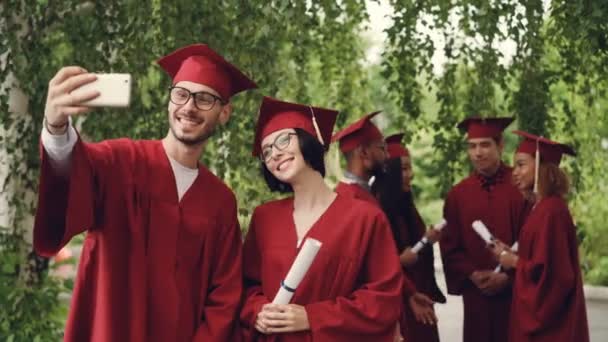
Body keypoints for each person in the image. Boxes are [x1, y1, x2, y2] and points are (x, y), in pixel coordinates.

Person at [33, 44, 257, 342]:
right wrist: (56, 126)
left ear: (224, 113)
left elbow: (225, 296)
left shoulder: (220, 202)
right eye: (181, 94)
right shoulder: (120, 162)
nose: (189, 107)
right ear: (169, 101)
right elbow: (71, 172)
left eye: (205, 99)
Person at [240, 97, 404, 341]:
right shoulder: (264, 217)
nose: (275, 153)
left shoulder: (364, 218)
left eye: (283, 140)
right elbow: (248, 286)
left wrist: (312, 317)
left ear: (308, 138)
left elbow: (383, 298)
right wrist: (258, 311)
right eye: (266, 151)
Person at [490, 130, 589, 342]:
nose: (514, 172)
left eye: (521, 164)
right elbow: (538, 259)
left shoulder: (551, 212)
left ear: (542, 169)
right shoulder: (541, 208)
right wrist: (510, 253)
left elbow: (557, 276)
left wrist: (515, 261)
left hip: (551, 329)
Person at [439, 117, 530, 342]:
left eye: (485, 144)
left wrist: (509, 278)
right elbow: (450, 247)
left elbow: (534, 241)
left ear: (501, 146)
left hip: (516, 294)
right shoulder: (458, 195)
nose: (478, 153)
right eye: (472, 146)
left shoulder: (522, 188)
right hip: (477, 296)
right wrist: (473, 274)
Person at [373, 133, 446, 342]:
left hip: (419, 294)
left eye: (410, 167)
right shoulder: (377, 209)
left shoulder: (405, 203)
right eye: (404, 168)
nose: (411, 174)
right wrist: (399, 261)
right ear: (391, 171)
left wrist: (427, 240)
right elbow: (376, 261)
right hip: (400, 300)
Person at [331, 111, 387, 204]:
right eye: (382, 148)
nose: (387, 155)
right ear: (364, 153)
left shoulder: (343, 193)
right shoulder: (353, 199)